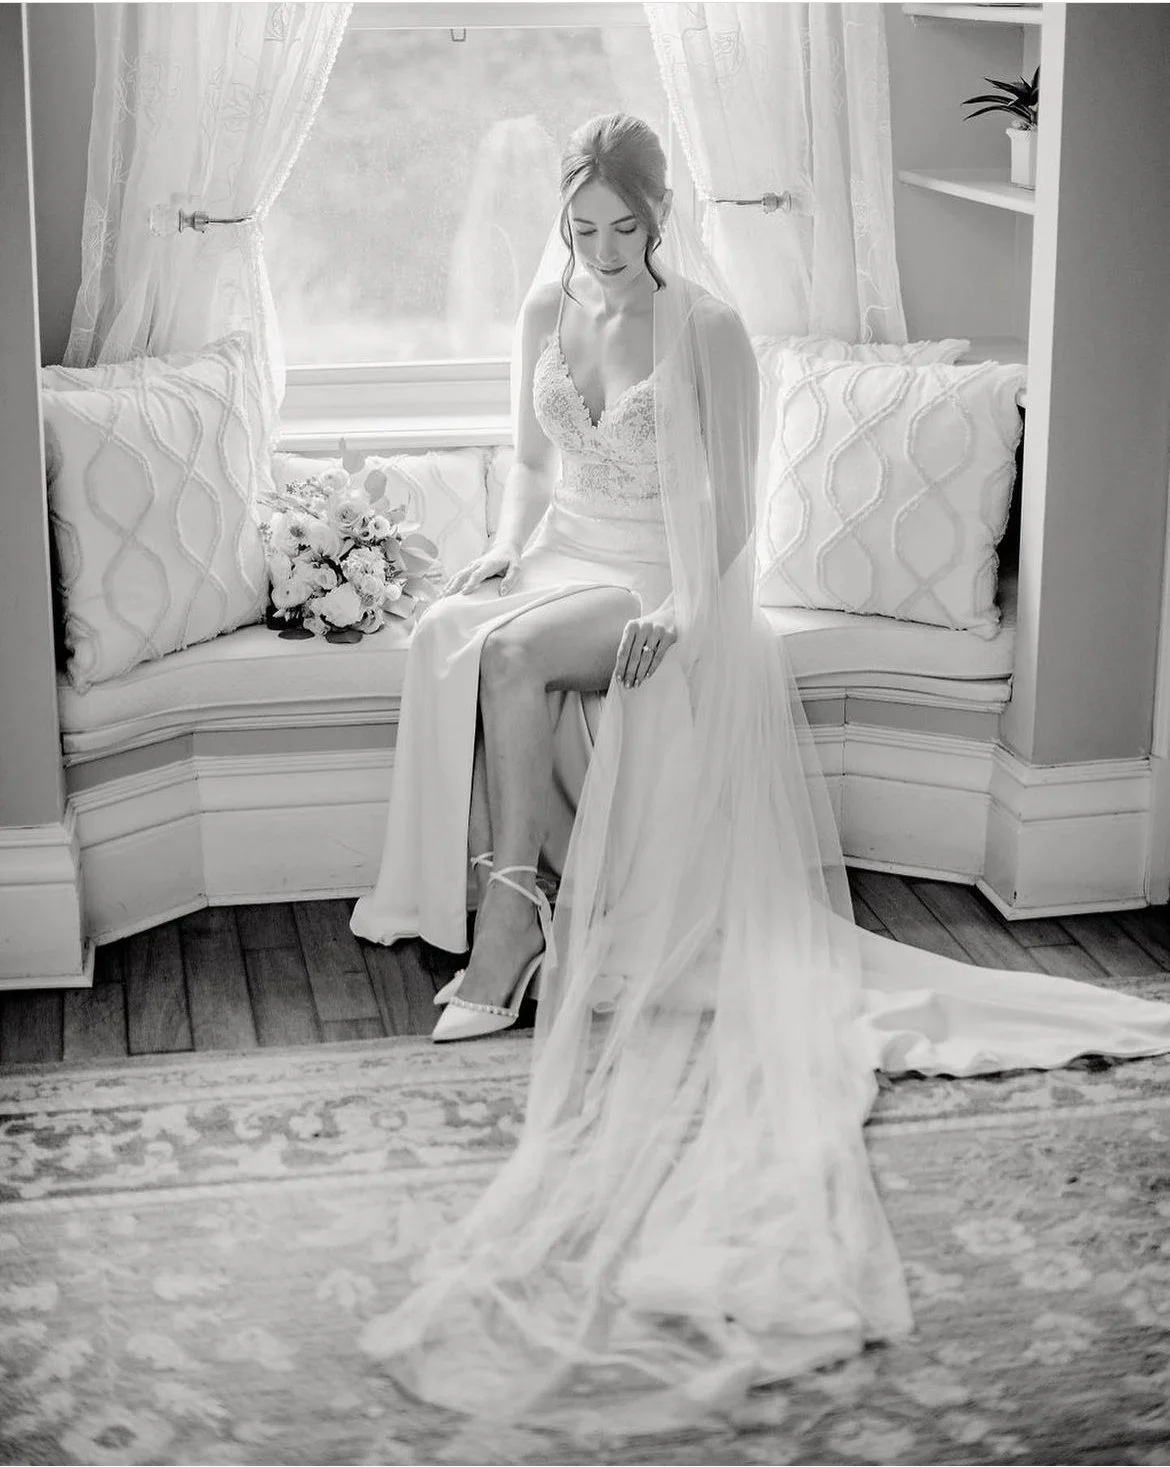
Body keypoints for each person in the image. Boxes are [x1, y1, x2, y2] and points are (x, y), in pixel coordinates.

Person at [351, 114, 1170, 1429]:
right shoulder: (544, 308)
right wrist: (500, 550)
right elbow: (527, 464)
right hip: (562, 560)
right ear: (561, 227)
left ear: (657, 222)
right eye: (582, 232)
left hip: (658, 578)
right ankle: (516, 910)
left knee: (508, 669)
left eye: (623, 230)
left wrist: (681, 601)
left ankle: (508, 934)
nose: (602, 254)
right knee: (474, 632)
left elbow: (731, 503)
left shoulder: (708, 328)